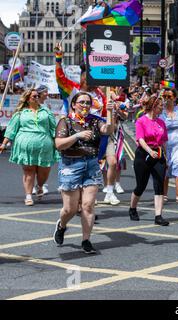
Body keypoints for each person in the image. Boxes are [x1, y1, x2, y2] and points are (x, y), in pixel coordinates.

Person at [53, 92, 114, 254]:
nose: (85, 105)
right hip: (70, 165)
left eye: (88, 103)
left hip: (92, 165)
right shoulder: (65, 121)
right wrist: (77, 135)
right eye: (82, 102)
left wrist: (110, 113)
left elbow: (107, 130)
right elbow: (59, 144)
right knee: (70, 209)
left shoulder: (94, 120)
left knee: (88, 205)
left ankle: (86, 240)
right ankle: (62, 225)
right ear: (74, 104)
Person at [0, 89, 58, 205]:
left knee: (44, 171)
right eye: (34, 96)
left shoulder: (46, 112)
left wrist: (58, 142)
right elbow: (11, 129)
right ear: (27, 99)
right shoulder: (20, 113)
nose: (37, 98)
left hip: (44, 145)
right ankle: (28, 195)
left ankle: (40, 185)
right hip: (25, 145)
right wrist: (4, 144)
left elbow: (53, 129)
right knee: (28, 170)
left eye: (38, 96)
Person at [128, 94, 169, 225]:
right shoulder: (141, 121)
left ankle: (158, 216)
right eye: (161, 106)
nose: (162, 108)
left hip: (158, 154)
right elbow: (140, 139)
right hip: (144, 154)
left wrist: (166, 157)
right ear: (153, 106)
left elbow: (164, 142)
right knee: (141, 185)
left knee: (159, 184)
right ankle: (132, 208)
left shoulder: (161, 122)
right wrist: (150, 151)